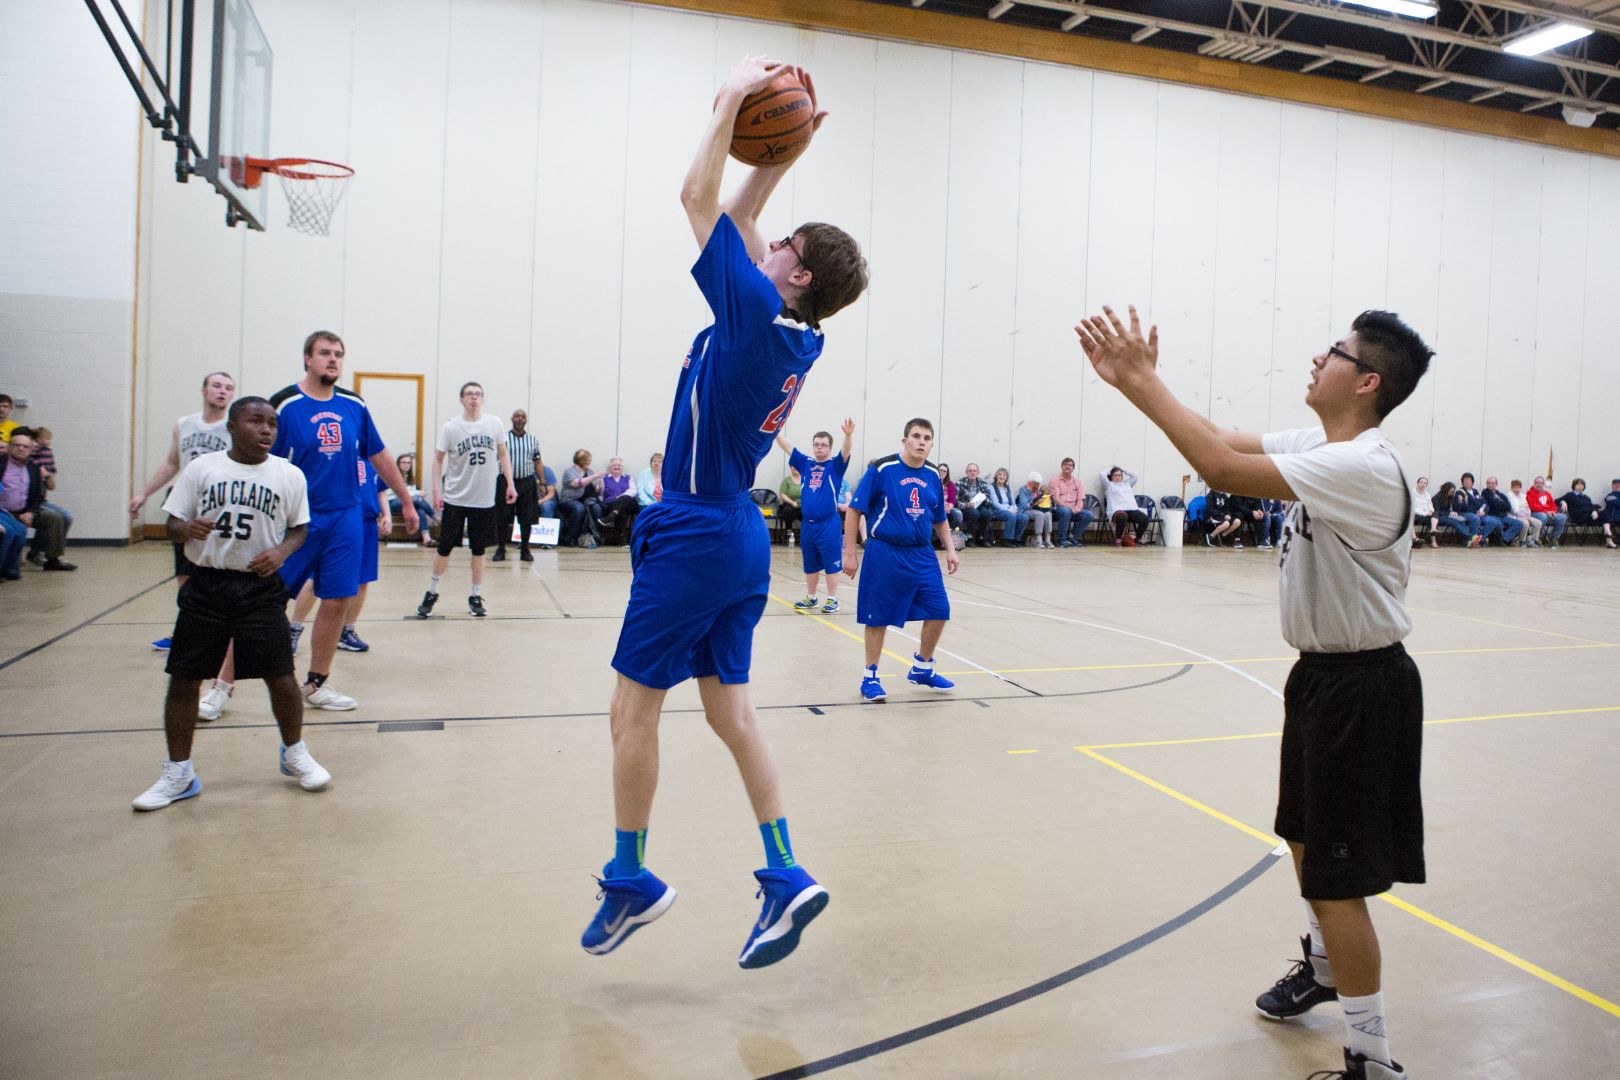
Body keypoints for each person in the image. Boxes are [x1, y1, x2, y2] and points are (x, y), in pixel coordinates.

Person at [1077, 303, 1432, 1080]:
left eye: (1334, 352)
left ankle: (1372, 1060)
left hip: (1364, 687)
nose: (1318, 359)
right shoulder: (1324, 443)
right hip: (1319, 678)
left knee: (1340, 881)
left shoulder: (1365, 464)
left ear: (1367, 380)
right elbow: (1223, 439)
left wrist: (1141, 379)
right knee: (1301, 841)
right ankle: (1326, 968)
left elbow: (1221, 471)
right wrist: (1138, 385)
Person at [582, 56, 866, 970]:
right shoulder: (794, 328)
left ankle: (633, 878)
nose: (766, 241)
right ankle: (784, 873)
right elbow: (741, 217)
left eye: (783, 246)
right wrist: (787, 151)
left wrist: (734, 104)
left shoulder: (750, 310)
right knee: (731, 712)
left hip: (698, 529)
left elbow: (697, 196)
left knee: (632, 712)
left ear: (791, 277)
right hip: (739, 539)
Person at [131, 396, 329, 811]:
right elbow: (170, 524)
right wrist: (188, 527)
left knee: (281, 676)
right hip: (207, 585)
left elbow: (300, 529)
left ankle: (294, 753)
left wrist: (281, 553)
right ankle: (179, 772)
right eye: (256, 421)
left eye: (272, 423)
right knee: (185, 678)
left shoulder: (288, 474)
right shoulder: (202, 469)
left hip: (259, 588)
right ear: (233, 427)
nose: (266, 430)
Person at [270, 331, 419, 711]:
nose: (332, 359)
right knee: (264, 603)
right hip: (298, 521)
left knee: (337, 599)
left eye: (338, 354)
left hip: (347, 517)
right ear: (307, 358)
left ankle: (317, 683)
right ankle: (223, 686)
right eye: (324, 353)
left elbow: (380, 455)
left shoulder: (354, 405)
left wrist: (405, 500)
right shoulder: (285, 405)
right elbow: (262, 461)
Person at [843, 418, 958, 702]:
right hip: (885, 551)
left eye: (927, 438)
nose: (921, 442)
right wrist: (850, 553)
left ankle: (922, 666)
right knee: (878, 616)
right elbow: (854, 511)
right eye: (916, 436)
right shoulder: (882, 469)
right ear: (904, 440)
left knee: (939, 608)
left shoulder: (933, 474)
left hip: (922, 553)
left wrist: (951, 549)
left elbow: (940, 518)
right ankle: (870, 676)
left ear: (931, 444)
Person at [131, 372, 237, 648]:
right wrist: (144, 493)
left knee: (217, 570)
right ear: (204, 390)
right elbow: (171, 463)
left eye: (228, 388)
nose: (222, 392)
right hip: (185, 503)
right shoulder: (184, 425)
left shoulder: (233, 426)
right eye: (216, 386)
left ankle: (223, 633)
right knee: (184, 572)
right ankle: (188, 632)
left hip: (219, 506)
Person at [416, 381, 514, 618]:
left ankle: (475, 595)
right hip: (456, 497)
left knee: (479, 549)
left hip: (483, 499)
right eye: (469, 394)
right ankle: (432, 591)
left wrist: (510, 483)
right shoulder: (451, 427)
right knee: (445, 546)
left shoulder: (494, 424)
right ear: (461, 400)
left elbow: (503, 454)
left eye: (478, 394)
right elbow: (438, 459)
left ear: (483, 399)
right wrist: (437, 490)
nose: (474, 398)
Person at [776, 419, 854, 613]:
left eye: (823, 445)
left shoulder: (835, 466)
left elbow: (845, 452)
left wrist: (848, 435)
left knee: (831, 563)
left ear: (830, 447)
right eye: (816, 444)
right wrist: (774, 430)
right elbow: (788, 446)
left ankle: (832, 599)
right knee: (810, 563)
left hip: (828, 524)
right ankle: (811, 598)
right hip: (808, 525)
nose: (819, 448)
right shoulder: (805, 463)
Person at [0, 430, 74, 571]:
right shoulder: (1, 464)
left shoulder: (33, 467)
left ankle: (52, 558)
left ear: (31, 450)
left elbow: (37, 497)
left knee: (54, 518)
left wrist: (30, 512)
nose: (21, 448)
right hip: (3, 512)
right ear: (9, 447)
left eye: (25, 446)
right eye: (17, 445)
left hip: (24, 510)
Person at [495, 408, 543, 563]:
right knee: (502, 517)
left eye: (523, 416)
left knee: (527, 518)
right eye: (517, 416)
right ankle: (501, 549)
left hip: (527, 482)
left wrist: (542, 482)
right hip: (506, 481)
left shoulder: (533, 440)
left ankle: (525, 549)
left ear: (526, 420)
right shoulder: (503, 439)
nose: (520, 418)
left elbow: (537, 461)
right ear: (512, 419)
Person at [389, 452, 439, 548]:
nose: (406, 465)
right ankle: (436, 518)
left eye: (408, 463)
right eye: (403, 462)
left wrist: (417, 493)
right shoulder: (393, 475)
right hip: (392, 504)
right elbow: (399, 493)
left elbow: (409, 495)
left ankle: (426, 538)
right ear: (398, 464)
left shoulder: (409, 477)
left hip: (405, 504)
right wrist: (417, 493)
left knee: (418, 509)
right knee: (417, 500)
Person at [558, 449, 604, 548]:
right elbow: (578, 483)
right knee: (579, 509)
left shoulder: (590, 471)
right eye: (587, 459)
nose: (589, 462)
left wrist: (599, 485)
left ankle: (596, 537)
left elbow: (596, 490)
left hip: (587, 500)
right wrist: (594, 476)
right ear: (581, 460)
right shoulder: (569, 472)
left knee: (597, 508)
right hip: (569, 500)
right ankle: (569, 538)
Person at [1048, 458, 1094, 547]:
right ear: (1061, 467)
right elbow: (1056, 499)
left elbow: (1080, 499)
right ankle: (1062, 540)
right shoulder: (1054, 480)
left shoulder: (1078, 482)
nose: (1067, 466)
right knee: (1066, 511)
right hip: (1058, 508)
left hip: (1074, 508)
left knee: (1088, 515)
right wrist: (1071, 507)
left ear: (1073, 468)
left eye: (1070, 465)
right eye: (1065, 464)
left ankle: (1073, 537)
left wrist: (1078, 507)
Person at [1102, 466, 1148, 546]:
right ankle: (1118, 539)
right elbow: (1101, 475)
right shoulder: (1108, 485)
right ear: (1111, 476)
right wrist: (1111, 468)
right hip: (1117, 510)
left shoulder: (1127, 484)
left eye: (1119, 475)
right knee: (1122, 517)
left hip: (1131, 509)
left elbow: (1135, 476)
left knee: (1144, 519)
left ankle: (1138, 538)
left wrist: (1123, 469)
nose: (1117, 477)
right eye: (1115, 475)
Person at [1451, 473, 1500, 548]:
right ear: (1462, 482)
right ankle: (1470, 541)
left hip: (1479, 513)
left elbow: (1485, 504)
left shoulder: (1477, 492)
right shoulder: (1459, 492)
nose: (1467, 482)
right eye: (1465, 480)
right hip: (1465, 513)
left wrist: (1483, 511)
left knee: (1492, 521)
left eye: (1469, 480)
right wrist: (1461, 502)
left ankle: (1479, 540)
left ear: (1472, 482)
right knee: (1475, 518)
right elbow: (1456, 508)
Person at [599, 457, 640, 540]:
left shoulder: (628, 477)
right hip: (611, 504)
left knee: (625, 498)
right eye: (614, 465)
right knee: (621, 509)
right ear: (610, 468)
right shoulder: (604, 478)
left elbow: (633, 491)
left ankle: (611, 517)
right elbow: (601, 495)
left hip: (630, 505)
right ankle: (623, 539)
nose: (617, 467)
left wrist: (620, 497)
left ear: (622, 467)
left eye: (619, 465)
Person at [955, 462, 994, 546]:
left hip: (980, 506)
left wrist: (983, 498)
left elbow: (990, 502)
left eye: (974, 471)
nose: (972, 472)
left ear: (978, 472)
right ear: (966, 473)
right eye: (970, 471)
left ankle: (983, 539)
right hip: (965, 507)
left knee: (987, 513)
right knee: (974, 513)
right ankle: (970, 539)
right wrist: (965, 505)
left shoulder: (983, 483)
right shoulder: (960, 483)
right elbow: (955, 501)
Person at [987, 467, 1026, 546]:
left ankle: (1015, 539)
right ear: (996, 476)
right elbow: (995, 503)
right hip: (997, 510)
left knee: (1023, 517)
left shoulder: (1008, 487)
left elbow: (1013, 502)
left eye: (1004, 475)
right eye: (1000, 475)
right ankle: (1006, 539)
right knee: (1011, 515)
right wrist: (1009, 510)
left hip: (1010, 509)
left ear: (1006, 477)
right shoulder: (991, 487)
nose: (1002, 477)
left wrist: (1014, 508)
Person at [1479, 477, 1523, 546]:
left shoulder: (1501, 494)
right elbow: (1492, 504)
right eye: (1489, 483)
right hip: (1491, 515)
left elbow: (1508, 507)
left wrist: (1499, 503)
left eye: (1492, 483)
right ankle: (1481, 539)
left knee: (1519, 523)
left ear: (1496, 484)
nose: (1490, 484)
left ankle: (1503, 539)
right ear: (1486, 484)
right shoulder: (1485, 493)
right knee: (1497, 523)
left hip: (1503, 516)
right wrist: (1501, 503)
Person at [1017, 472, 1055, 548]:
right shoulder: (1023, 490)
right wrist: (1035, 503)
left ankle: (1048, 539)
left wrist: (1048, 504)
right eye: (1034, 484)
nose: (1036, 486)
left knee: (1048, 514)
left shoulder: (1040, 491)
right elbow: (1024, 505)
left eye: (1038, 484)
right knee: (1040, 514)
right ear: (1030, 483)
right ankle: (1039, 540)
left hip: (1039, 510)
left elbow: (1046, 505)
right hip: (1026, 511)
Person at [1525, 476, 1565, 547]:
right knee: (1543, 516)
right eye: (1536, 482)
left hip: (1548, 514)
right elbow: (1533, 506)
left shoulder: (1547, 494)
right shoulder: (1529, 493)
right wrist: (1546, 511)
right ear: (1534, 483)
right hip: (1535, 513)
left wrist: (1553, 511)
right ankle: (1537, 537)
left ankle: (1553, 538)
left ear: (1543, 484)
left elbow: (1553, 505)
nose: (1538, 484)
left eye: (1541, 483)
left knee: (1562, 517)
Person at [1433, 480, 1475, 545]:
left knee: (1462, 520)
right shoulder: (1436, 498)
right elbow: (1437, 511)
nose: (1451, 493)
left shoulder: (1449, 497)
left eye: (1453, 492)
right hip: (1437, 517)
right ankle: (1471, 537)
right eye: (1450, 492)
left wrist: (1460, 502)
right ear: (1446, 490)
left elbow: (1453, 508)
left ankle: (1467, 541)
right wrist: (1449, 513)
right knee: (1454, 522)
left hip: (1447, 515)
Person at [1505, 480, 1541, 548]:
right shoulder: (1508, 495)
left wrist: (1528, 514)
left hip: (1525, 515)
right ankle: (1522, 541)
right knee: (1525, 523)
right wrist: (1522, 516)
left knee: (1538, 523)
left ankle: (1533, 540)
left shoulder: (1524, 496)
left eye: (1518, 487)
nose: (1517, 489)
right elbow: (1512, 509)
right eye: (1515, 487)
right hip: (1514, 516)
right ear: (1511, 488)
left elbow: (1527, 506)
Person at [1411, 477, 1438, 550]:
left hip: (1426, 514)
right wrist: (1425, 513)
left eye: (1425, 483)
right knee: (1410, 516)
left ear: (1426, 485)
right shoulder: (1412, 493)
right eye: (1421, 482)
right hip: (1417, 514)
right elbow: (1412, 507)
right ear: (1417, 483)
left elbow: (1430, 504)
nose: (1422, 484)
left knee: (1435, 514)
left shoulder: (1427, 494)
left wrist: (1431, 510)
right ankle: (1414, 539)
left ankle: (1433, 531)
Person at [1602, 478, 1620, 550]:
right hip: (1613, 518)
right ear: (1612, 486)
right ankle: (1611, 541)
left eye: (1619, 484)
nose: (1617, 485)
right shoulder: (1609, 496)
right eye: (1615, 484)